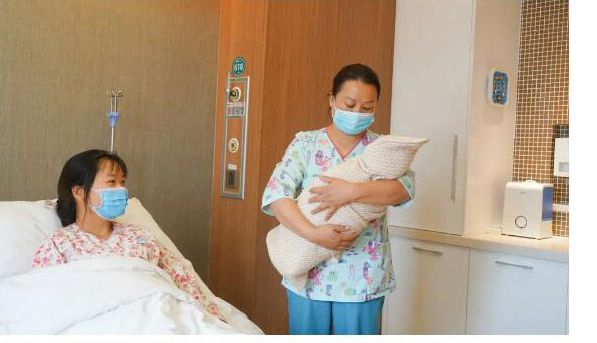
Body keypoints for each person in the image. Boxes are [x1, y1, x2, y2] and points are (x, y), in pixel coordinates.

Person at [261, 63, 415, 335]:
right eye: (350, 104)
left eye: (367, 108)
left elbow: (403, 190)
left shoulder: (382, 149)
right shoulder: (306, 144)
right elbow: (276, 195)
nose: (357, 114)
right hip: (308, 272)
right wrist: (314, 234)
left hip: (362, 276)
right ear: (332, 100)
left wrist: (351, 191)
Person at [31, 149, 223, 320]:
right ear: (79, 192)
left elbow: (181, 277)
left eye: (122, 182)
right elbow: (45, 300)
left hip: (159, 314)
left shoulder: (141, 236)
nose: (121, 189)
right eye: (111, 181)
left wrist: (212, 317)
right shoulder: (59, 244)